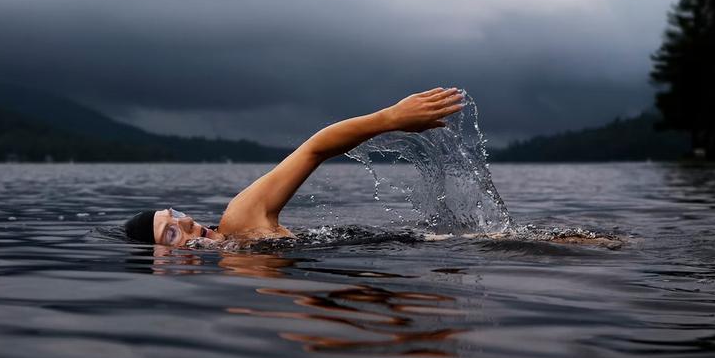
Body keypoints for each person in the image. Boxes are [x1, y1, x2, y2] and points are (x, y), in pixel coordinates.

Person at [124, 87, 465, 246]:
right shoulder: (236, 272)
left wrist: (390, 118)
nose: (185, 221)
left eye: (175, 214)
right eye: (170, 232)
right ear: (162, 263)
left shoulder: (240, 221)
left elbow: (313, 150)